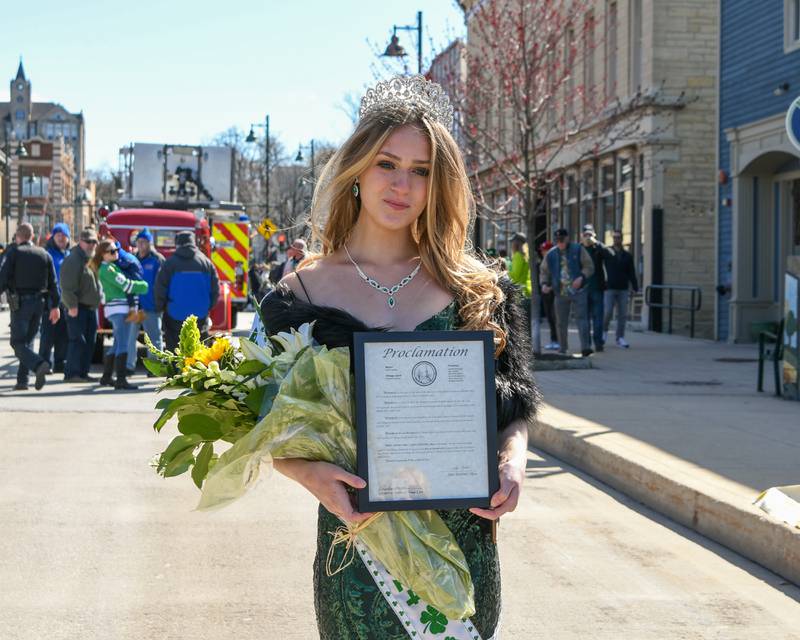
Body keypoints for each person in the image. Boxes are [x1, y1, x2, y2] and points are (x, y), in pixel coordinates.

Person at [259, 75, 536, 639]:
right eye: (387, 163)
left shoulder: (479, 290)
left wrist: (513, 463)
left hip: (462, 545)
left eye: (422, 170)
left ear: (440, 185)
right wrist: (308, 473)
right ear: (356, 169)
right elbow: (266, 425)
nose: (401, 184)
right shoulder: (299, 296)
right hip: (360, 547)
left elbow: (515, 405)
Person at [0, 223, 60, 390]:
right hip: (40, 303)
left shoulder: (14, 253)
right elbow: (53, 283)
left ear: (18, 237)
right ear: (32, 236)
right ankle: (22, 380)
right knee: (28, 341)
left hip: (20, 303)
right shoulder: (44, 254)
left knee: (17, 343)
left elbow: (3, 278)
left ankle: (39, 364)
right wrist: (55, 306)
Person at [91, 240, 148, 390]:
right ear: (103, 254)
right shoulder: (108, 270)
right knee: (123, 344)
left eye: (116, 249)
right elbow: (126, 285)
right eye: (111, 251)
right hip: (120, 310)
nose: (116, 252)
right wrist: (144, 286)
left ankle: (107, 376)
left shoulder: (109, 267)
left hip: (117, 310)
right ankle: (121, 380)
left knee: (117, 343)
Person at [155, 230, 220, 351]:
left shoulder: (169, 264)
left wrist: (161, 308)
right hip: (199, 316)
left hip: (174, 315)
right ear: (193, 243)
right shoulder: (206, 263)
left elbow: (160, 289)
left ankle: (177, 370)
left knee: (175, 351)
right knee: (198, 352)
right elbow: (215, 291)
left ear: (177, 244)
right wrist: (207, 308)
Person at [540, 228, 594, 356]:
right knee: (561, 322)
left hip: (578, 291)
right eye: (558, 241)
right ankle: (563, 347)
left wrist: (582, 277)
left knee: (582, 319)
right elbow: (544, 271)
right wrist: (544, 284)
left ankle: (586, 348)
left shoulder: (578, 249)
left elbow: (589, 266)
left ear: (567, 238)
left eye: (562, 240)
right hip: (560, 292)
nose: (560, 243)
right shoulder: (551, 254)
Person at [60, 228, 102, 382]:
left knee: (90, 342)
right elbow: (67, 287)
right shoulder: (73, 260)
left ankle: (83, 373)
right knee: (78, 341)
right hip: (77, 308)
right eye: (88, 242)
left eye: (94, 242)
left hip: (90, 308)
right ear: (81, 241)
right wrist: (72, 306)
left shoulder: (88, 259)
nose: (92, 245)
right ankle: (72, 374)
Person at [127, 228, 165, 372]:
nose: (141, 245)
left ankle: (154, 368)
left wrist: (160, 303)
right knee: (130, 338)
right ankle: (128, 366)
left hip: (152, 307)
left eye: (144, 242)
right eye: (139, 242)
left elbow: (163, 284)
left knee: (154, 339)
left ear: (150, 243)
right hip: (135, 306)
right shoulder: (132, 259)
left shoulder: (157, 259)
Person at [38, 222, 71, 373]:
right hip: (51, 302)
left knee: (63, 335)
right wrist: (52, 304)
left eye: (64, 236)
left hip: (67, 303)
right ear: (53, 237)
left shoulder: (70, 255)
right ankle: (43, 363)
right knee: (47, 335)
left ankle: (60, 363)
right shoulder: (47, 254)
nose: (61, 238)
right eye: (58, 235)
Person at [603, 229, 639, 348]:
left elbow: (631, 272)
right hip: (610, 287)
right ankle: (604, 332)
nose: (616, 239)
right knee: (607, 311)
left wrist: (634, 286)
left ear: (622, 239)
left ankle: (620, 337)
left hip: (623, 288)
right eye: (614, 237)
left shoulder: (627, 256)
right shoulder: (607, 252)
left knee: (622, 314)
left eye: (618, 237)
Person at [581, 224, 608, 352]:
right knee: (585, 318)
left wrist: (597, 243)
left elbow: (610, 256)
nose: (588, 237)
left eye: (590, 235)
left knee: (598, 317)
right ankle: (587, 344)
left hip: (597, 288)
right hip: (584, 288)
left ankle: (599, 342)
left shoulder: (599, 248)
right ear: (582, 236)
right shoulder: (579, 249)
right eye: (585, 235)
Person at [537, 240, 559, 350]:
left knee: (555, 317)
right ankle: (553, 340)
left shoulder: (554, 260)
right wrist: (544, 285)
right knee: (550, 317)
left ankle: (557, 340)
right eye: (542, 250)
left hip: (555, 291)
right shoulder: (544, 261)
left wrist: (551, 287)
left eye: (545, 250)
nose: (542, 252)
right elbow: (543, 275)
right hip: (546, 291)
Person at [507, 233, 532, 327]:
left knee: (520, 325)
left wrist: (506, 271)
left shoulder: (518, 256)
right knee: (527, 324)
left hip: (519, 294)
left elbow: (515, 276)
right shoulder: (526, 256)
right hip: (526, 291)